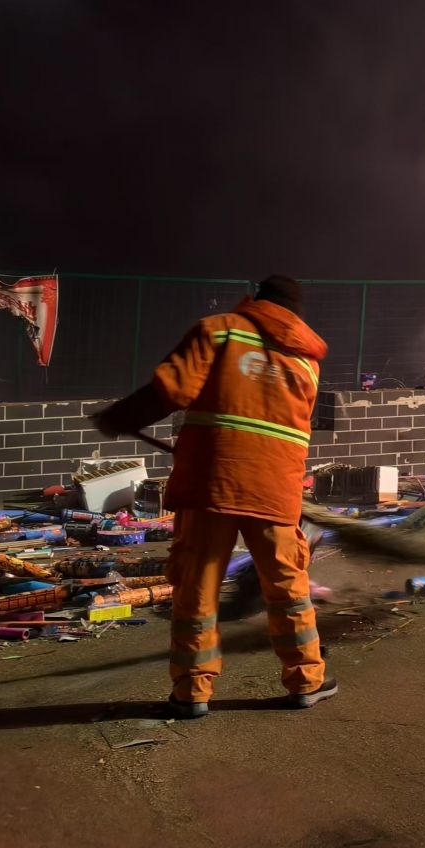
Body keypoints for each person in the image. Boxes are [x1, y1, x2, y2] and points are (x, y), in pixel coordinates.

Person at [92, 274, 336, 716]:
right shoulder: (307, 360)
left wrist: (121, 416)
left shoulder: (220, 330)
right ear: (296, 314)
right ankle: (307, 681)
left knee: (198, 589)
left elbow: (171, 389)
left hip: (212, 482)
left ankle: (192, 692)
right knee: (287, 586)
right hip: (276, 488)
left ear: (256, 299)